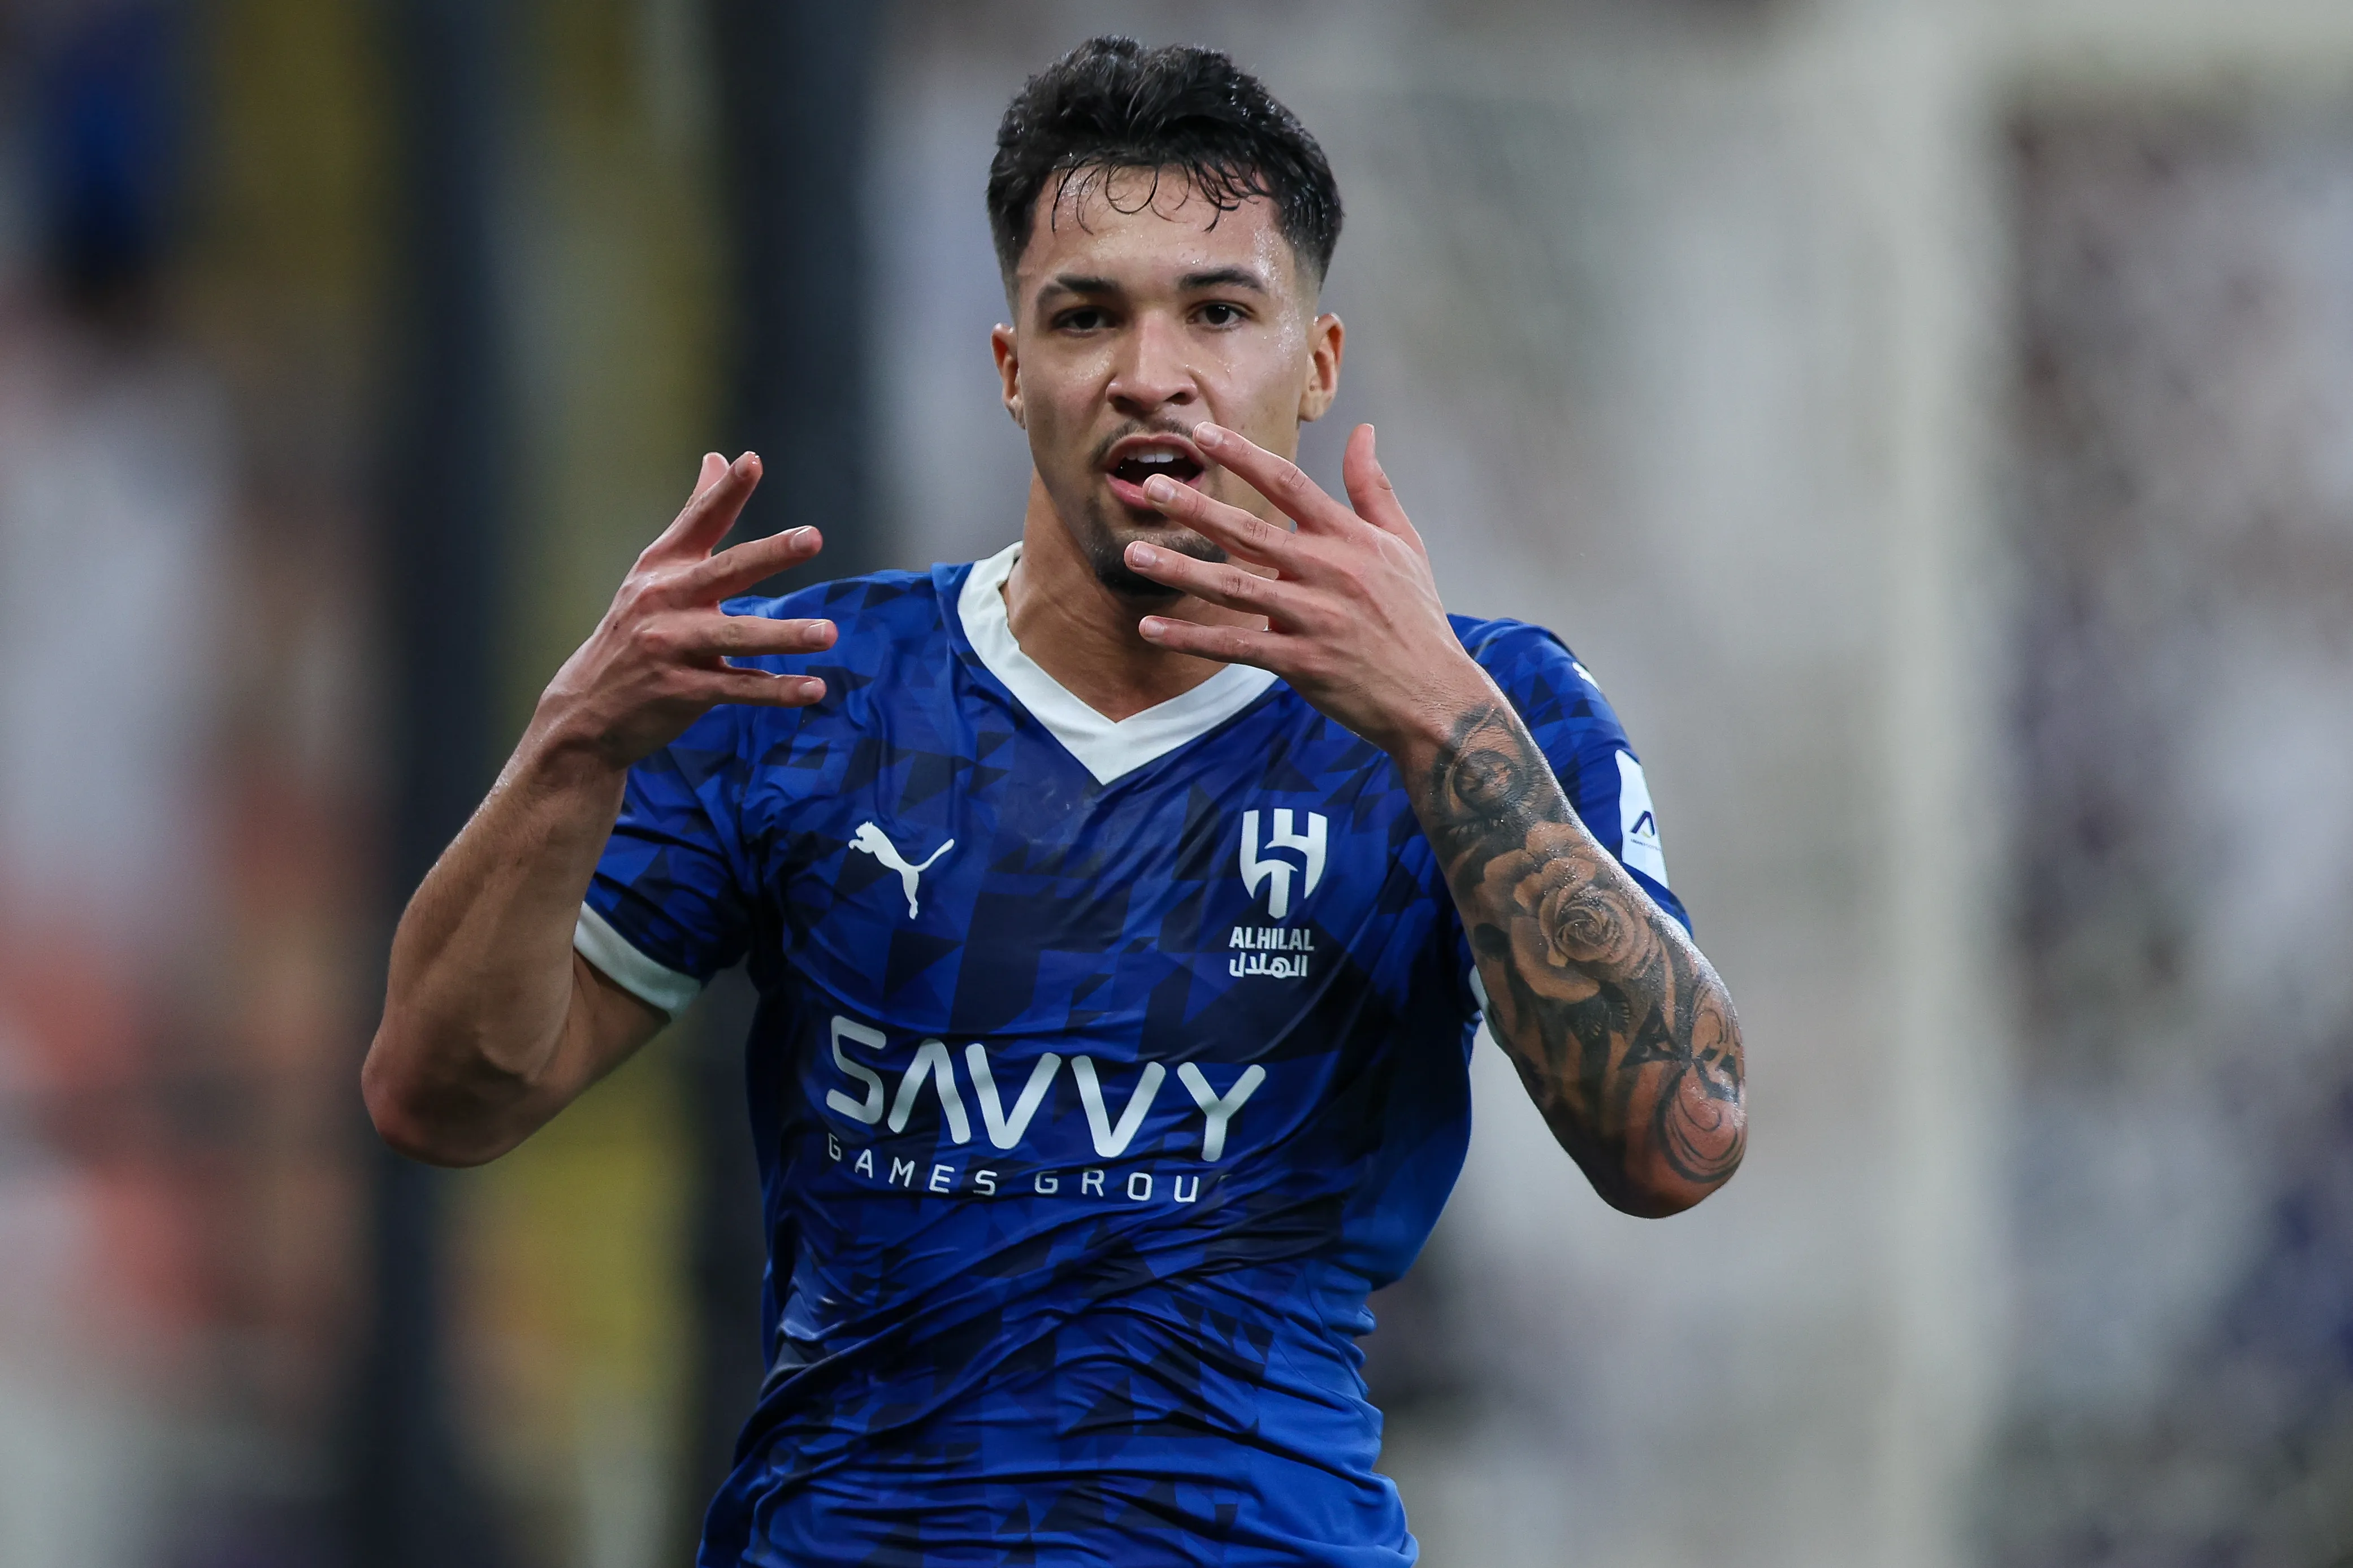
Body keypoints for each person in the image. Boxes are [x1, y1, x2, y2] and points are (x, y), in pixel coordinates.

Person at [364, 35, 1745, 1567]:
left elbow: (1675, 1141)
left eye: (1219, 311)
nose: (1153, 372)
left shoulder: (1495, 707)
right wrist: (569, 748)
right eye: (1089, 315)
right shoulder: (811, 694)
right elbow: (439, 1093)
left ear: (1320, 361)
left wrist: (1435, 723)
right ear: (1016, 372)